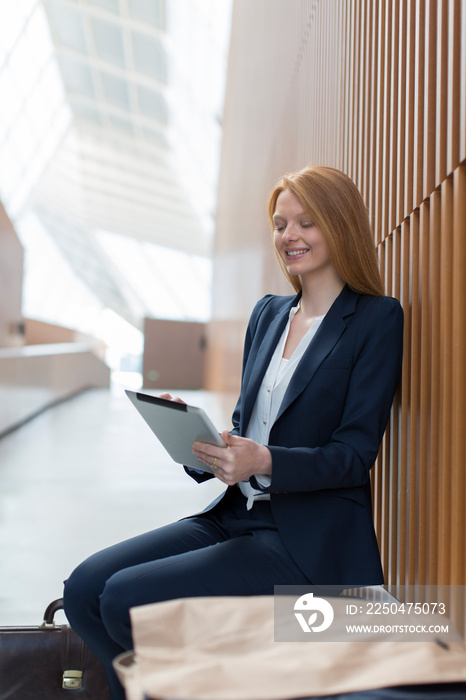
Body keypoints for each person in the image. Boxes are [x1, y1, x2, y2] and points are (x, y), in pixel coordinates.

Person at [63, 165, 403, 700]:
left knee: (125, 599)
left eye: (306, 223)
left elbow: (352, 456)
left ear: (340, 226)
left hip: (306, 542)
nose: (289, 236)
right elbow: (248, 428)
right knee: (84, 589)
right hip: (235, 515)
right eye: (280, 224)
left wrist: (264, 461)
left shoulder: (376, 320)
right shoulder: (267, 315)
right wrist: (202, 444)